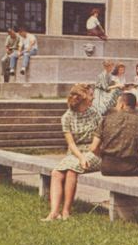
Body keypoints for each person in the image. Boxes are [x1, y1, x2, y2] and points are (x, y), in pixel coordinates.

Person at [42, 84, 102, 221]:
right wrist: (80, 157)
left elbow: (99, 139)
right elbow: (71, 143)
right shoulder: (67, 117)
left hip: (94, 151)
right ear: (83, 98)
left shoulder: (95, 113)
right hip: (75, 153)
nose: (93, 98)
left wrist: (86, 156)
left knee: (71, 170)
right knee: (56, 173)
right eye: (91, 95)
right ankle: (54, 212)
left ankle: (66, 211)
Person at [91, 92, 138, 180]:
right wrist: (137, 161)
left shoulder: (106, 120)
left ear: (121, 105)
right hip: (130, 167)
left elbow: (93, 148)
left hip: (107, 167)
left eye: (116, 104)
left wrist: (104, 157)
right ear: (135, 105)